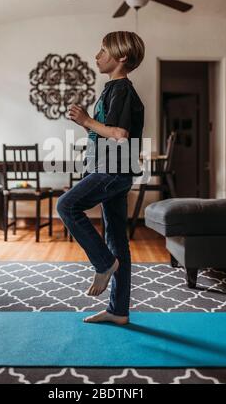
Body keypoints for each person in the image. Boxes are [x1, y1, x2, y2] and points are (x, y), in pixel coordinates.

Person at [56, 31, 145, 325]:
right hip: (111, 169)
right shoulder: (111, 90)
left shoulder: (122, 90)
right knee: (117, 239)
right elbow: (108, 131)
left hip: (112, 170)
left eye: (103, 50)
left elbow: (120, 135)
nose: (97, 55)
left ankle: (104, 263)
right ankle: (118, 311)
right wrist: (88, 125)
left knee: (66, 206)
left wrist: (86, 121)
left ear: (121, 57)